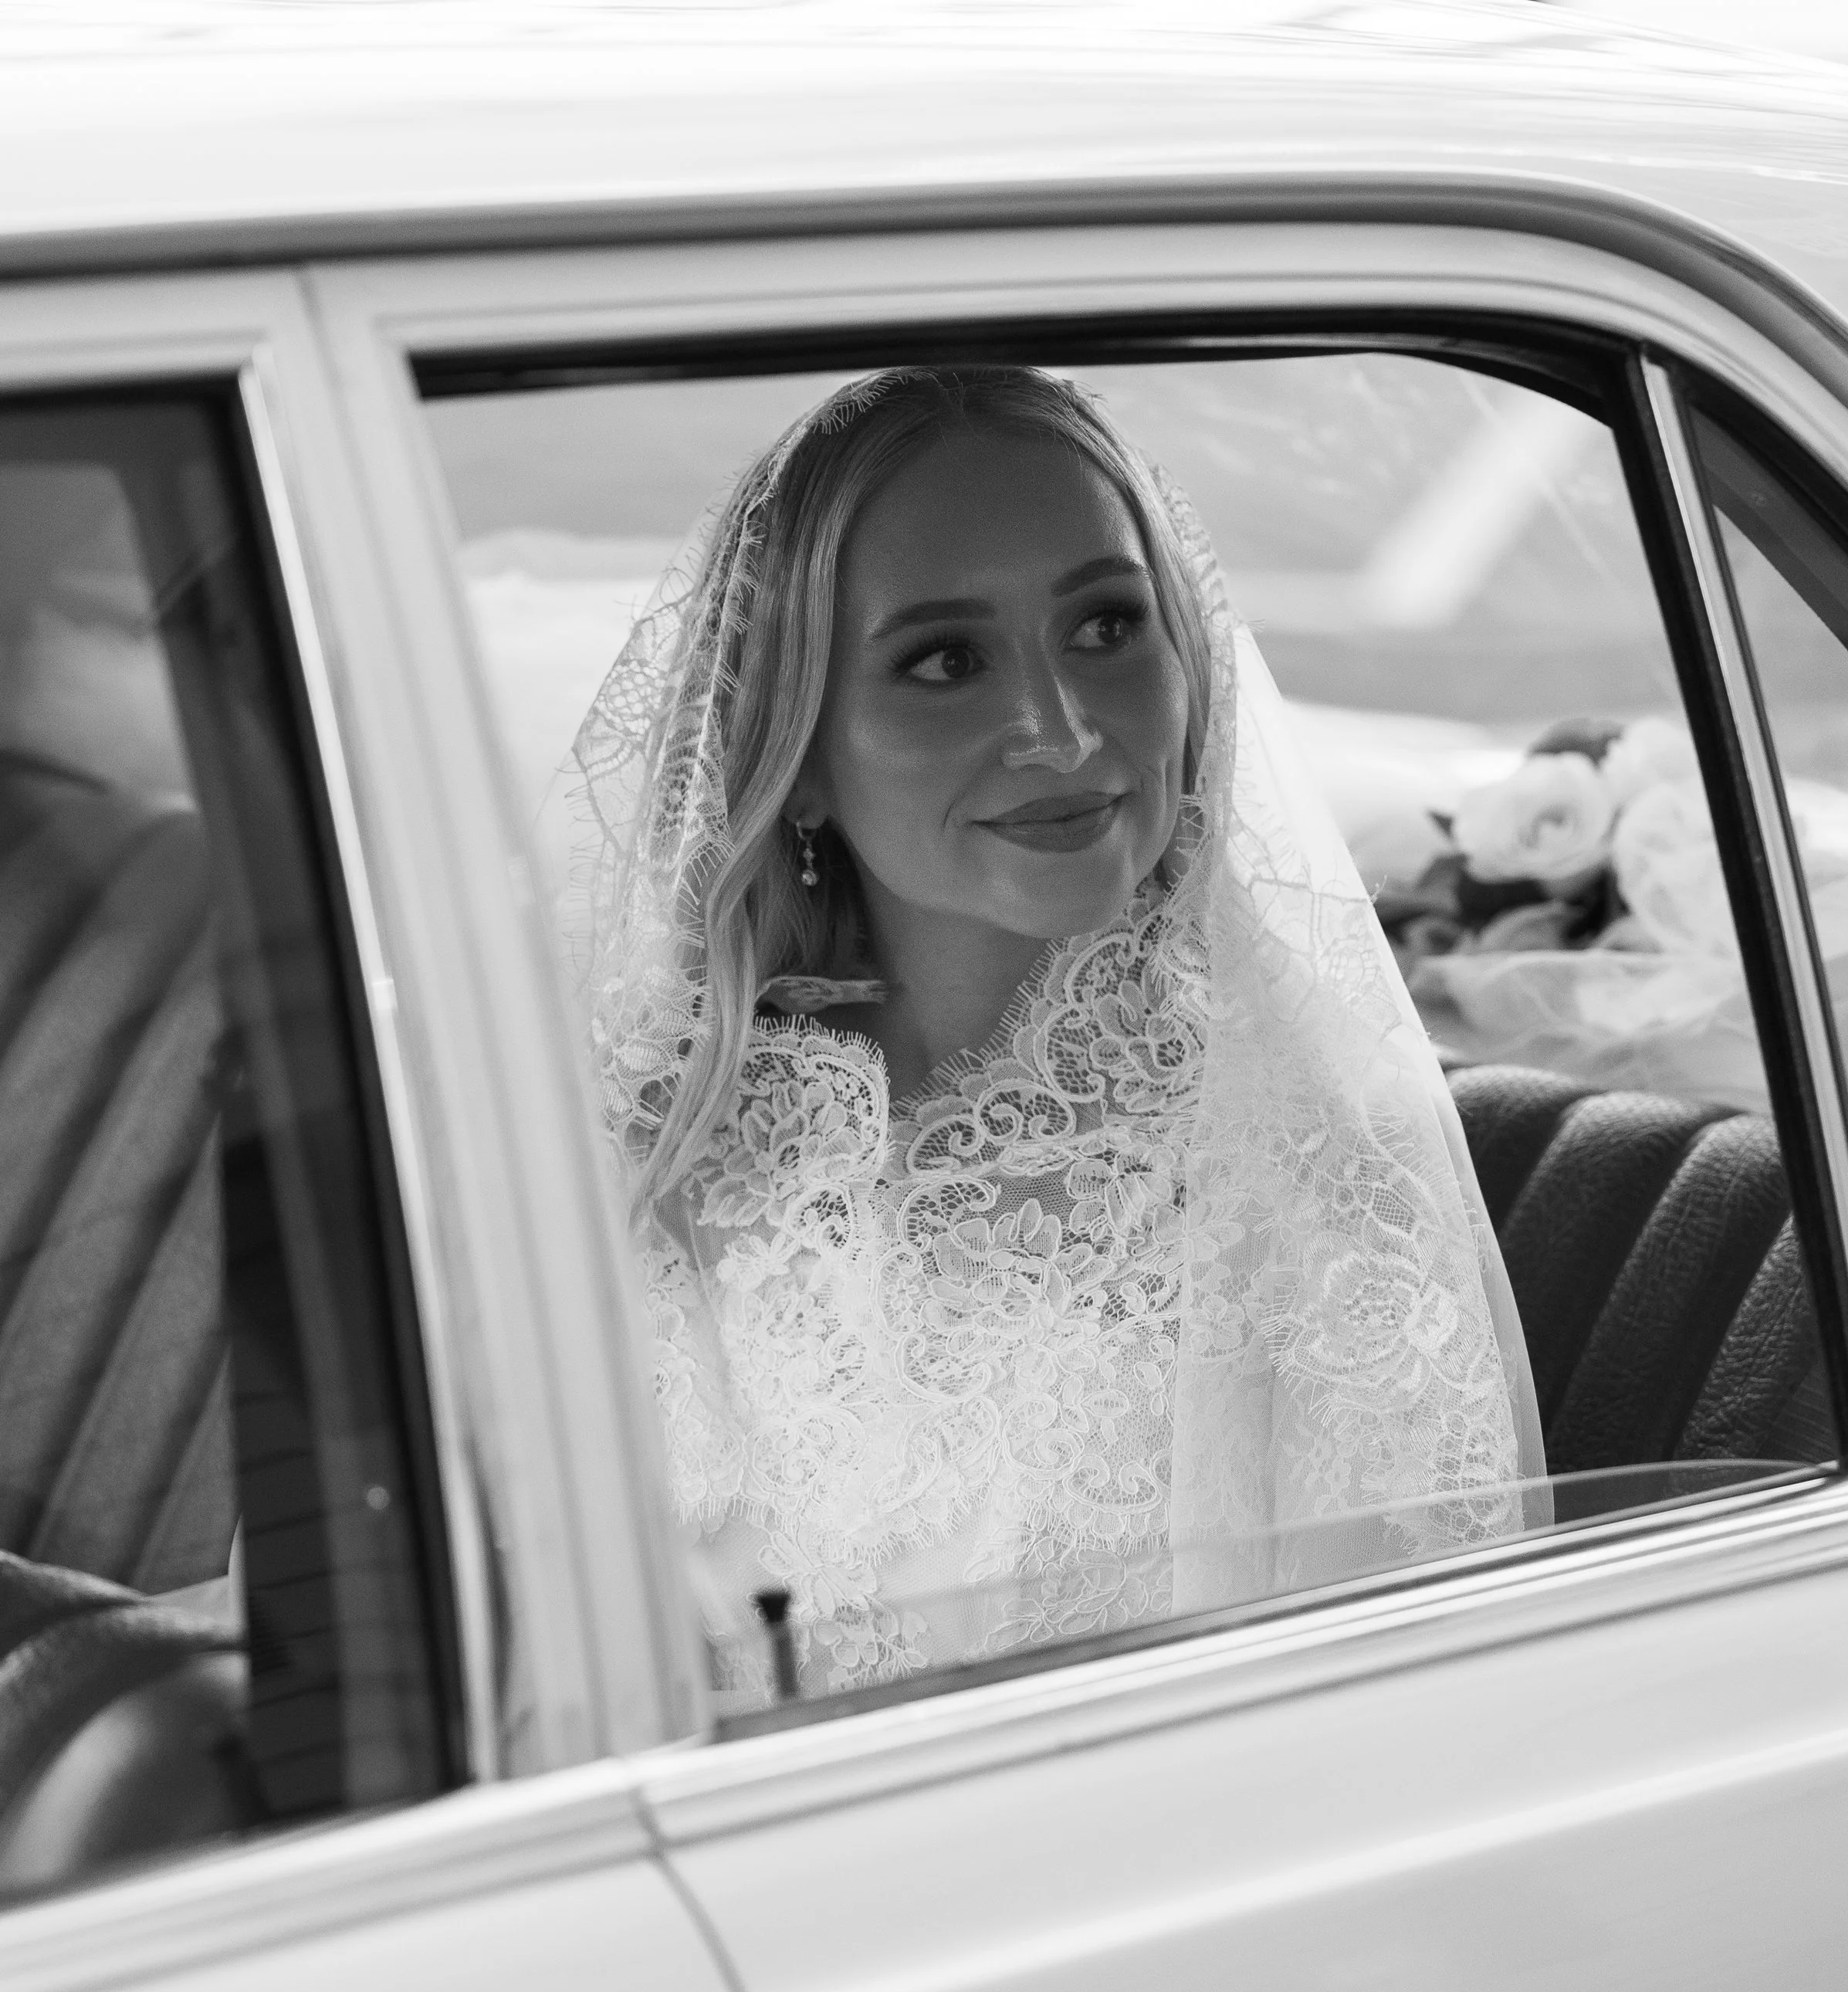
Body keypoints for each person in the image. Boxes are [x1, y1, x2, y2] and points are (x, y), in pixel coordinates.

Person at [574, 364, 1542, 1703]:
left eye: (1104, 627)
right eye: (945, 660)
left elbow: (1414, 1717)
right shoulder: (651, 1160)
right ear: (796, 755)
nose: (1062, 730)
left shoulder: (1310, 1171)